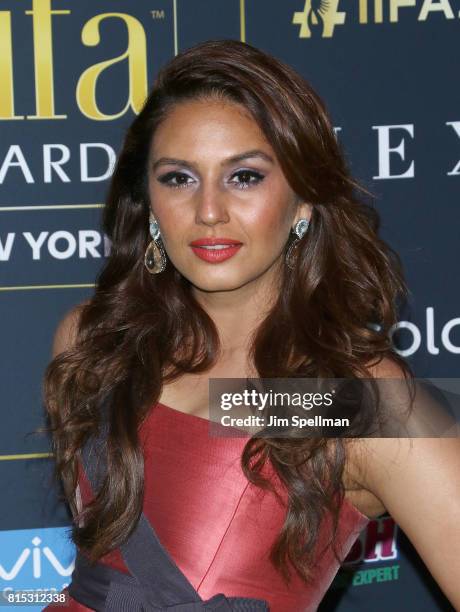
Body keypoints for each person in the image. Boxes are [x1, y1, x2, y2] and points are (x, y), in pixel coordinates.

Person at [42, 39, 460, 611]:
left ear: (304, 202)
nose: (209, 210)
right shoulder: (95, 345)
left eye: (244, 177)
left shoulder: (350, 398)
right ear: (149, 204)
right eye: (179, 178)